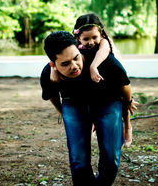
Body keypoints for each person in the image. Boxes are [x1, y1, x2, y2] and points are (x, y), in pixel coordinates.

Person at [40, 31, 135, 186]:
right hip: (74, 105)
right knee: (78, 160)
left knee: (111, 157)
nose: (74, 66)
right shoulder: (48, 73)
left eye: (76, 57)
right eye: (65, 64)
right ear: (53, 65)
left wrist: (128, 102)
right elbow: (51, 95)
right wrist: (64, 113)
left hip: (108, 102)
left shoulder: (105, 62)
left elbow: (125, 85)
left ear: (79, 49)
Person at [50, 13, 134, 147]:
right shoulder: (74, 46)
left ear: (100, 34)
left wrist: (93, 66)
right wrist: (53, 70)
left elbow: (103, 52)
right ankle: (92, 124)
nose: (91, 42)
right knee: (90, 97)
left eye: (94, 37)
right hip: (93, 79)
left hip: (112, 72)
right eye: (86, 39)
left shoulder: (104, 42)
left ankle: (128, 126)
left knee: (122, 99)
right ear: (78, 37)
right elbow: (57, 55)